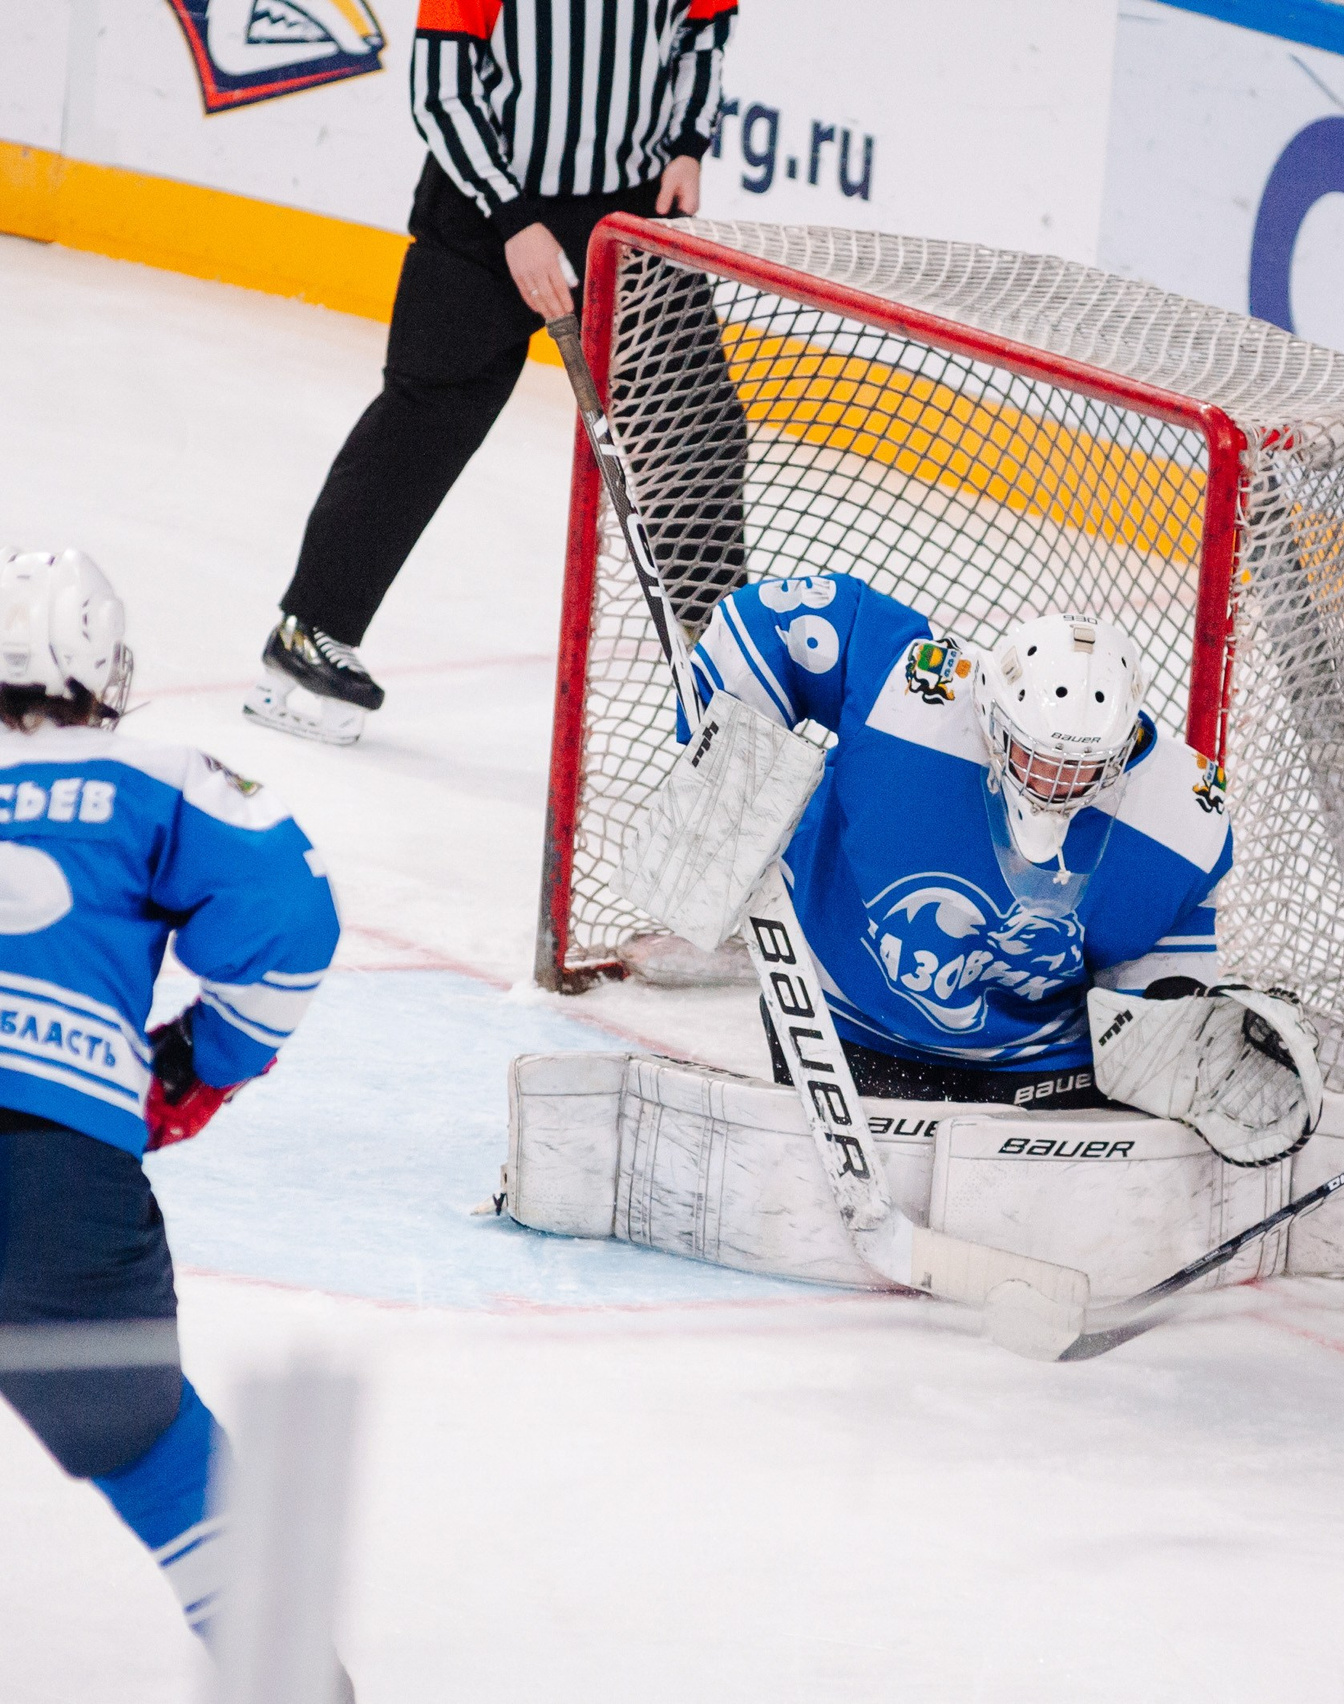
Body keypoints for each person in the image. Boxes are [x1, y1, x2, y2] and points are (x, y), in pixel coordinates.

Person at [0, 553, 342, 1656]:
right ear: (108, 670)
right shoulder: (161, 774)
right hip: (52, 1183)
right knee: (150, 1451)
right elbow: (292, 914)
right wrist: (201, 1058)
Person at [250, 0, 745, 746]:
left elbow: (701, 34)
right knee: (427, 415)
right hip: (485, 210)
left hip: (626, 209)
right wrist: (513, 219)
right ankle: (310, 630)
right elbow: (441, 90)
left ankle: (733, 675)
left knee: (694, 432)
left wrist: (686, 145)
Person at [681, 574, 1233, 1109]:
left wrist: (1193, 1047)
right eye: (1035, 755)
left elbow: (1157, 1006)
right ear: (993, 712)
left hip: (1039, 1069)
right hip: (839, 1017)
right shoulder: (910, 693)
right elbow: (772, 623)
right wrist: (723, 766)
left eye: (1082, 767)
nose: (1053, 785)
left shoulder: (1181, 818)